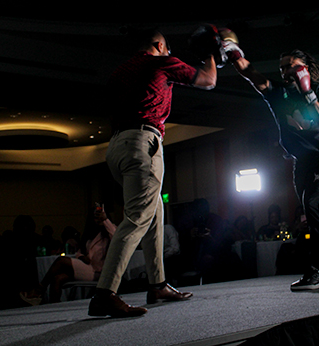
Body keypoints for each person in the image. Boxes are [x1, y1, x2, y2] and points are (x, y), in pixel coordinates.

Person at [88, 27, 219, 318]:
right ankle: (105, 293)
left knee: (154, 209)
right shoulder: (161, 63)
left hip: (116, 148)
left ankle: (158, 284)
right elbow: (208, 80)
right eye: (168, 51)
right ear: (159, 45)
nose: (170, 56)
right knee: (137, 218)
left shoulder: (119, 72)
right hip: (142, 143)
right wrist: (211, 53)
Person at [224, 33, 319, 290]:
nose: (286, 70)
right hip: (301, 163)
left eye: (291, 65)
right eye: (282, 67)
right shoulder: (277, 93)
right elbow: (251, 73)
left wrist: (307, 90)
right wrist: (233, 53)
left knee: (313, 207)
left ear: (305, 68)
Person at [38, 205, 116, 303]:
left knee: (61, 261)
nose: (98, 220)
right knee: (57, 279)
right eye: (95, 218)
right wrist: (81, 256)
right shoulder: (90, 234)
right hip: (88, 267)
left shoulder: (108, 233)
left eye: (99, 218)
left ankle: (40, 289)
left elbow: (116, 237)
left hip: (98, 271)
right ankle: (54, 307)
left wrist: (105, 220)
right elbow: (80, 251)